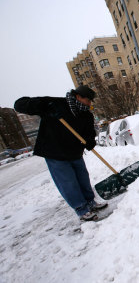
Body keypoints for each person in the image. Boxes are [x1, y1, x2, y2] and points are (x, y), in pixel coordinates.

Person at [14, 86, 107, 221]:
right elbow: (19, 105)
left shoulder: (86, 114)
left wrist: (90, 141)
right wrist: (46, 108)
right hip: (55, 153)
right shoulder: (54, 104)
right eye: (88, 100)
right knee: (68, 182)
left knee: (83, 179)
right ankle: (81, 209)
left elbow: (89, 133)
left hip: (75, 152)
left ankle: (90, 202)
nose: (89, 103)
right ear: (78, 96)